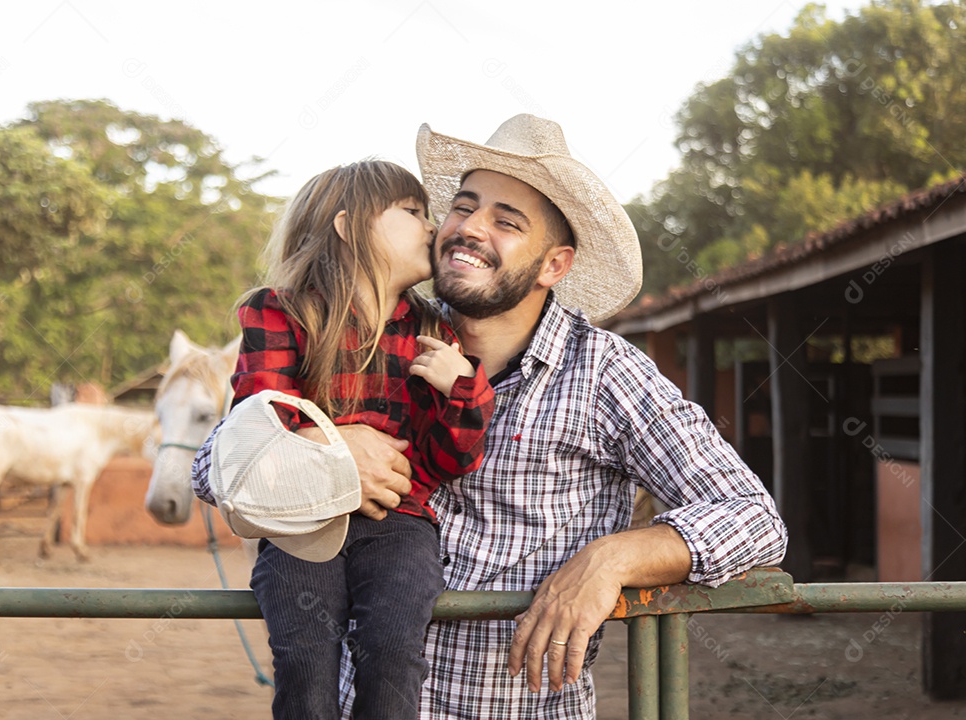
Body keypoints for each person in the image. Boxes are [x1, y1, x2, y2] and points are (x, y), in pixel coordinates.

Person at [196, 116, 787, 719]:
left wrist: (611, 560)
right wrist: (328, 451)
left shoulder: (606, 372)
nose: (469, 229)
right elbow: (212, 466)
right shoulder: (374, 325)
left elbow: (755, 520)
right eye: (463, 206)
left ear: (553, 265)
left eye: (506, 222)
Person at [193, 159, 495, 719]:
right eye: (412, 212)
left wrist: (464, 390)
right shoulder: (280, 312)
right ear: (348, 226)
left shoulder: (435, 332)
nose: (432, 227)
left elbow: (452, 459)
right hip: (299, 520)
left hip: (397, 522)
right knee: (305, 661)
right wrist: (336, 444)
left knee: (394, 648)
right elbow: (259, 421)